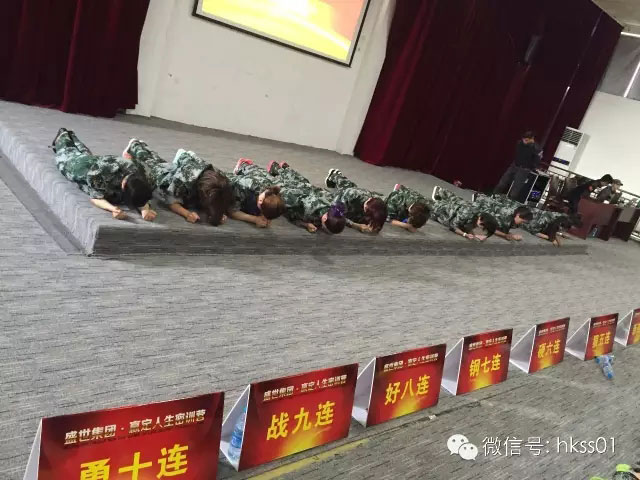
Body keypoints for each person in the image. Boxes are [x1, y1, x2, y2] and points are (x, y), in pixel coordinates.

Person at [51, 128, 156, 221]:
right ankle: (63, 135)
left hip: (99, 161)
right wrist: (113, 209)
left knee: (84, 153)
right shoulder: (99, 175)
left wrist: (145, 209)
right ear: (124, 185)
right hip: (83, 167)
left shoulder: (143, 176)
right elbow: (96, 198)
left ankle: (72, 136)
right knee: (66, 157)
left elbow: (140, 193)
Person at [123, 139, 232, 226]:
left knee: (159, 161)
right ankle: (135, 145)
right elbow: (171, 201)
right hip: (164, 176)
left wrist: (217, 213)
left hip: (185, 168)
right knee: (150, 163)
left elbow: (218, 198)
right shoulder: (183, 180)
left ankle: (178, 158)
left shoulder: (220, 181)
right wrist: (187, 214)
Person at [266, 161, 346, 233]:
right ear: (324, 219)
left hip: (306, 186)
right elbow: (290, 215)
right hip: (291, 192)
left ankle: (284, 169)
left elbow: (339, 215)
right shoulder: (308, 212)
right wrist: (306, 225)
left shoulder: (334, 205)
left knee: (297, 178)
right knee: (275, 186)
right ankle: (276, 169)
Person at [474, 193, 576, 246]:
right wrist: (508, 235)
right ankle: (480, 197)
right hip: (481, 203)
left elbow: (553, 228)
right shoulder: (507, 217)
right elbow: (492, 228)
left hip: (504, 206)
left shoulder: (556, 217)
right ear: (518, 216)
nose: (521, 224)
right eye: (522, 221)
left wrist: (556, 236)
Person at [323, 169, 388, 233]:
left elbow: (380, 214)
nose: (366, 204)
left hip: (356, 194)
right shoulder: (352, 194)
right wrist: (355, 226)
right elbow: (335, 213)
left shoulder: (379, 204)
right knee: (344, 187)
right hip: (346, 194)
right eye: (366, 206)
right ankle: (334, 175)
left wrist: (375, 225)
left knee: (350, 186)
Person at [231, 158, 286, 227]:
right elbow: (232, 211)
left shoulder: (276, 192)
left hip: (260, 174)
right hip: (246, 170)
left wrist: (267, 217)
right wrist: (254, 219)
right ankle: (242, 164)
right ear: (260, 201)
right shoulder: (243, 186)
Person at [430, 186, 498, 240]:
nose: (481, 229)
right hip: (446, 209)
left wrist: (477, 235)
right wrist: (465, 234)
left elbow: (470, 226)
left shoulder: (481, 216)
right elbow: (452, 226)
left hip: (459, 206)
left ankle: (442, 195)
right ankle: (439, 198)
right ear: (480, 219)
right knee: (444, 220)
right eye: (482, 228)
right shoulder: (467, 214)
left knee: (458, 203)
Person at [494, 131, 542, 200]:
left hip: (524, 169)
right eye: (523, 140)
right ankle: (494, 195)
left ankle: (510, 201)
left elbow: (537, 161)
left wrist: (530, 167)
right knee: (502, 182)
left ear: (532, 139)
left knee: (516, 188)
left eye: (526, 140)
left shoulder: (537, 148)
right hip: (514, 165)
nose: (524, 142)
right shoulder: (519, 143)